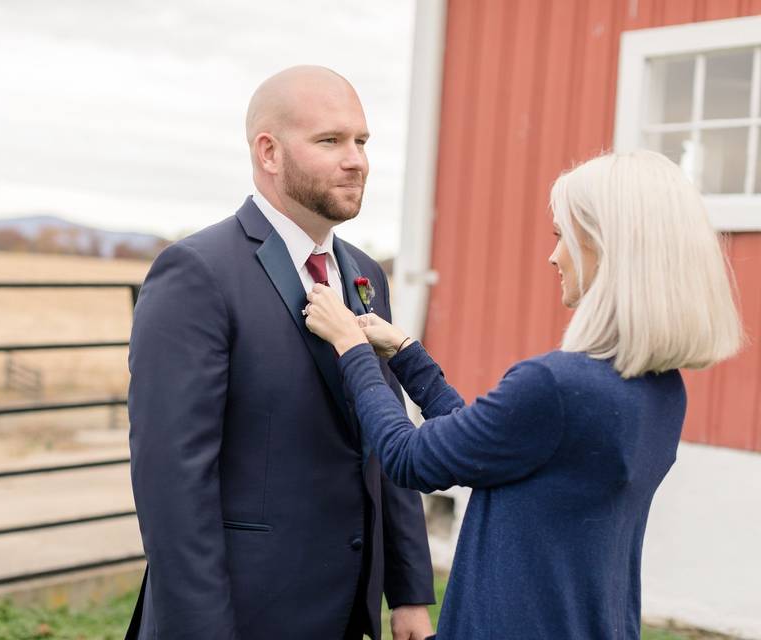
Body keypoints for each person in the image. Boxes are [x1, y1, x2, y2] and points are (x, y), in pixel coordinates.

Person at [304, 149, 742, 640]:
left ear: (607, 247)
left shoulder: (558, 386)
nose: (553, 255)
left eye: (562, 237)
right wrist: (405, 352)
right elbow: (484, 447)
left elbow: (412, 459)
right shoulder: (660, 390)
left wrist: (351, 348)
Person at [125, 66, 435, 640]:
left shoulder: (364, 274)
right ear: (268, 152)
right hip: (244, 613)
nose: (356, 160)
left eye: (362, 141)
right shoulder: (198, 273)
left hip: (346, 611)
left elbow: (383, 434)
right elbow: (172, 480)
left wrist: (409, 591)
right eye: (330, 141)